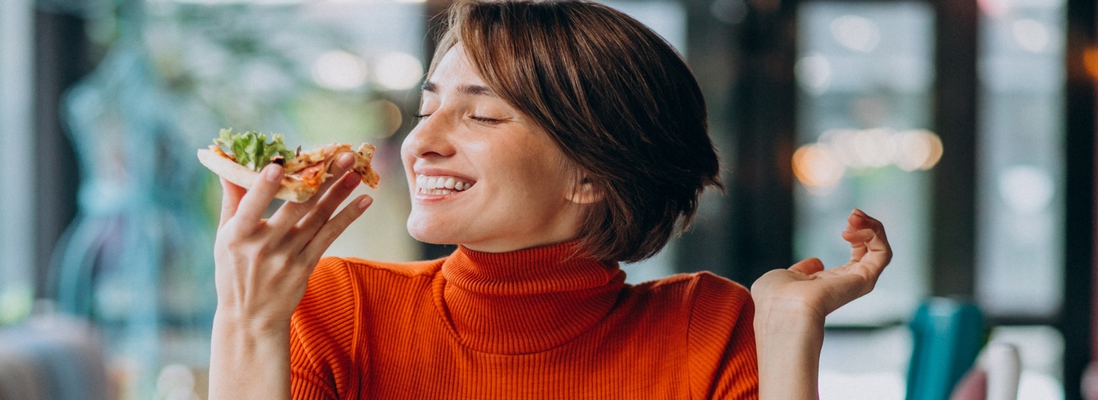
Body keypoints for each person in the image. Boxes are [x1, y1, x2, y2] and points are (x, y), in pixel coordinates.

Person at [208, 1, 892, 399]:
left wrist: (785, 333)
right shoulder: (334, 307)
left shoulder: (707, 328)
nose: (421, 143)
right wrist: (248, 320)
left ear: (590, 174)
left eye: (480, 115)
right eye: (427, 107)